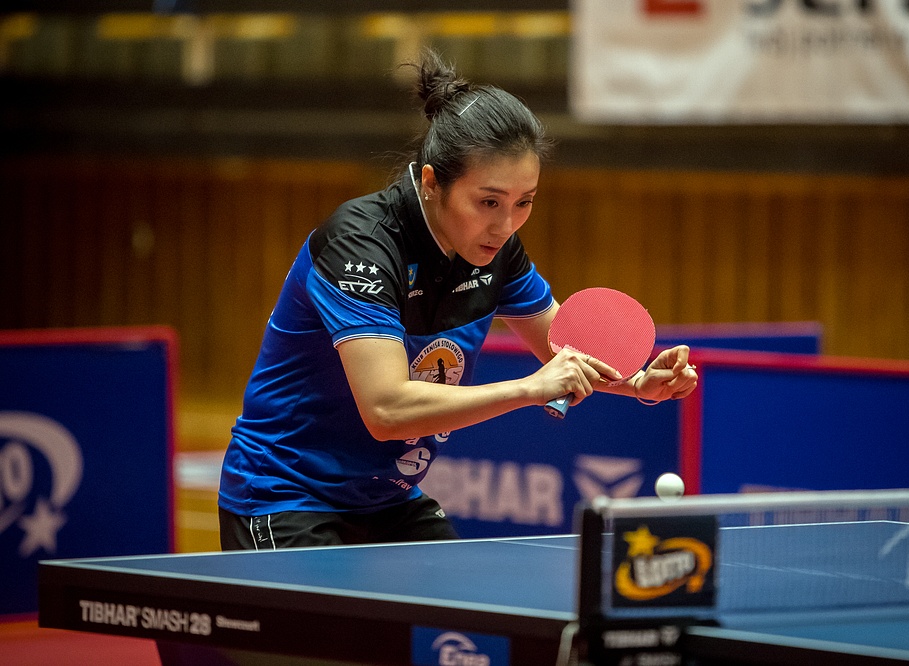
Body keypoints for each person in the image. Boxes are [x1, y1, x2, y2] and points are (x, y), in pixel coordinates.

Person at [217, 50, 698, 550]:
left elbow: (565, 352)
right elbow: (386, 409)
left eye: (524, 202)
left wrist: (640, 384)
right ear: (431, 183)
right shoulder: (359, 247)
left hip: (386, 499)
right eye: (488, 202)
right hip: (285, 494)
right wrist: (529, 389)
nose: (505, 225)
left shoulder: (495, 251)